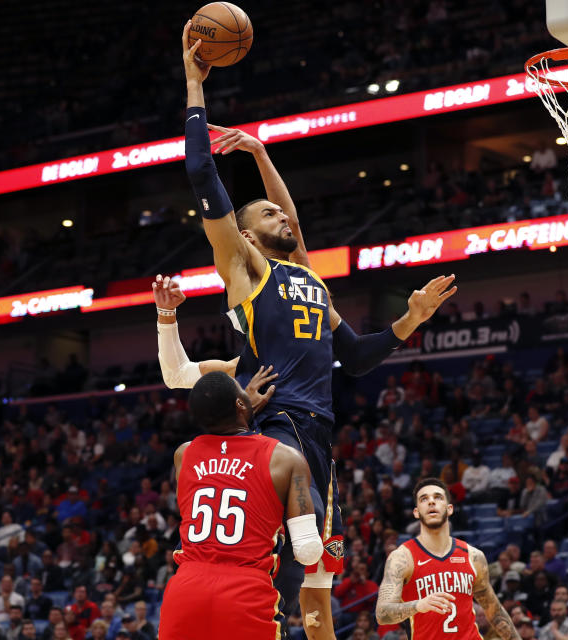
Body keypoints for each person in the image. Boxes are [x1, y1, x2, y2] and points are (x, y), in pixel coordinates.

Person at [179, 25, 458, 636]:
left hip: (319, 432)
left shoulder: (310, 280)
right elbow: (203, 177)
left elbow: (355, 357)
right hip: (276, 426)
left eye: (281, 210)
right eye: (268, 212)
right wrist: (196, 86)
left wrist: (409, 320)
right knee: (284, 566)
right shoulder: (245, 268)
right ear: (247, 235)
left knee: (317, 572)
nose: (283, 214)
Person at [157, 371, 323, 640]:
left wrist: (240, 407)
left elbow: (223, 453)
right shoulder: (286, 459)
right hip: (245, 593)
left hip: (185, 593)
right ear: (239, 404)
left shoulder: (183, 454)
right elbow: (307, 551)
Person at [375, 478, 520, 640]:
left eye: (438, 497)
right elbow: (382, 613)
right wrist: (418, 605)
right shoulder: (402, 557)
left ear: (449, 509)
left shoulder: (474, 556)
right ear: (416, 512)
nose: (431, 502)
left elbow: (495, 613)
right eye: (424, 499)